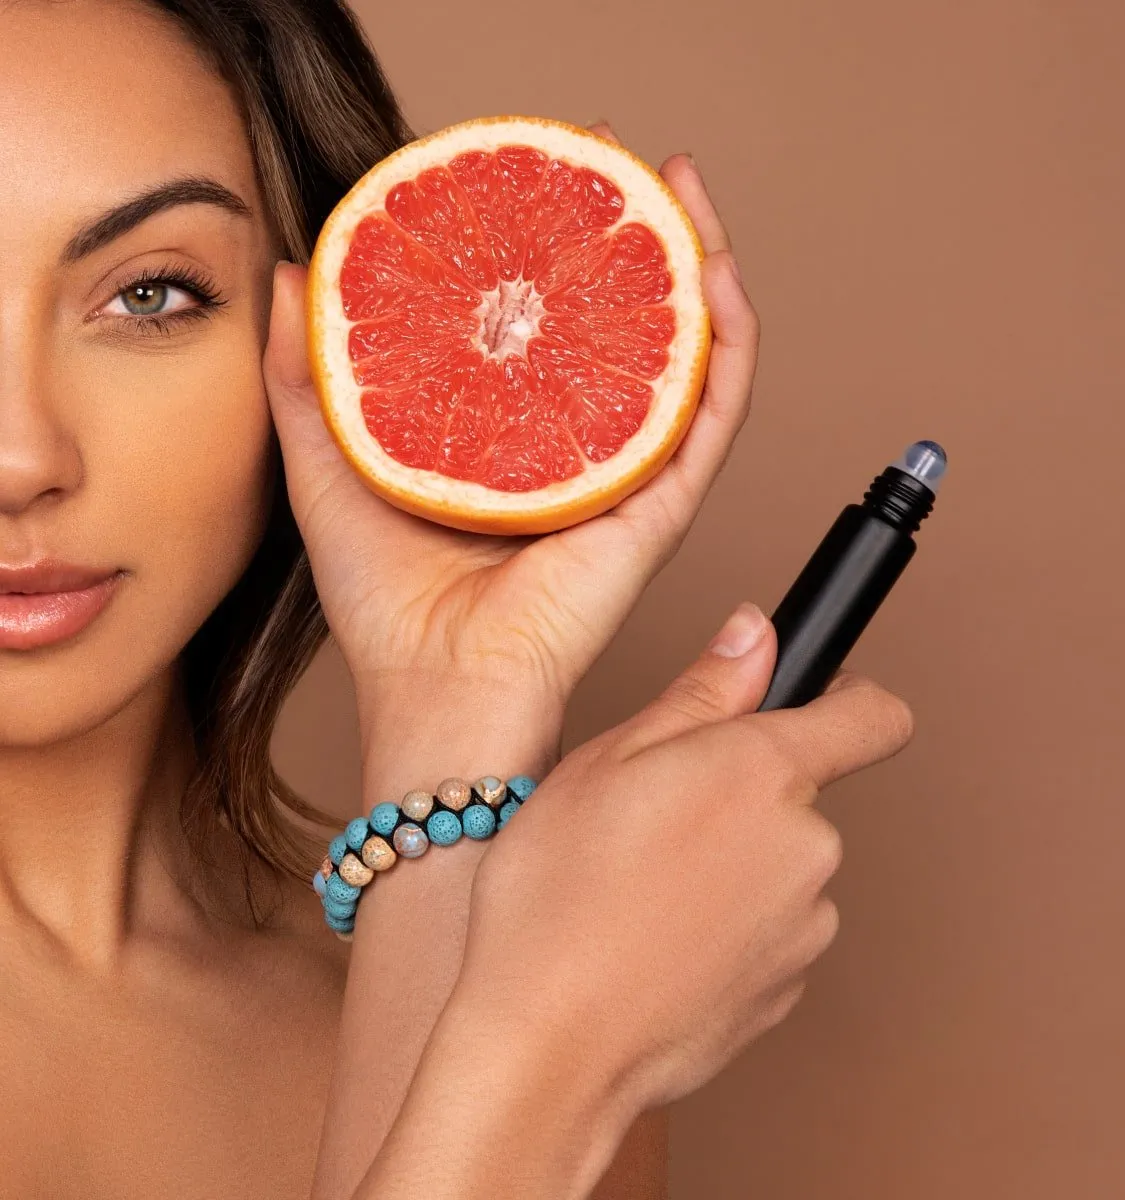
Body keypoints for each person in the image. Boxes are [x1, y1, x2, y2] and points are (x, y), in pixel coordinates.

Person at [0, 1, 915, 1197]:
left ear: (321, 339)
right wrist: (547, 1060)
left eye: (154, 296)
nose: (20, 456)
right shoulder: (553, 1029)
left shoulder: (497, 995)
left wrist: (454, 702)